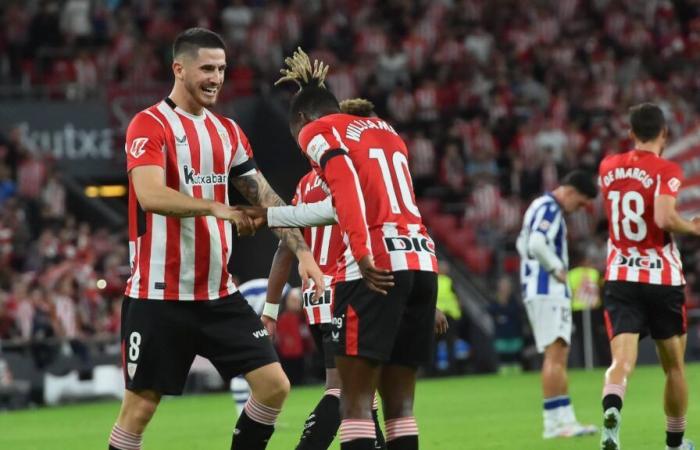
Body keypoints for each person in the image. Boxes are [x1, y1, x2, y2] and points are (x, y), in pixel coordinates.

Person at [109, 28, 325, 450]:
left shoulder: (227, 132)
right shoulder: (148, 125)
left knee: (274, 385)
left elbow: (266, 199)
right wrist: (214, 207)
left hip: (217, 295)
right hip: (159, 297)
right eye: (207, 68)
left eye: (222, 69)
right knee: (139, 410)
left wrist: (305, 255)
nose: (216, 78)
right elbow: (149, 195)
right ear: (179, 68)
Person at [272, 49, 439, 450]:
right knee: (400, 407)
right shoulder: (385, 130)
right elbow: (399, 203)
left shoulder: (318, 132)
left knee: (355, 404)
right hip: (420, 258)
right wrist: (268, 215)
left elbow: (344, 186)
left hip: (370, 266)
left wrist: (362, 252)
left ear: (301, 122)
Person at [598, 103, 698, 450]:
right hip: (661, 277)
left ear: (631, 133)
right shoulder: (667, 169)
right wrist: (694, 227)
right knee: (674, 368)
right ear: (664, 133)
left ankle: (612, 412)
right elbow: (665, 218)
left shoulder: (608, 166)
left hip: (620, 276)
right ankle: (675, 442)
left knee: (621, 362)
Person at [516, 170, 598, 439]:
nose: (580, 209)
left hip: (540, 289)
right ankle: (553, 423)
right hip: (547, 290)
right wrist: (557, 269)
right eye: (581, 202)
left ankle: (565, 419)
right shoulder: (550, 207)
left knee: (558, 354)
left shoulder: (538, 206)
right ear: (571, 191)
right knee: (555, 356)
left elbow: (522, 244)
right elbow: (537, 243)